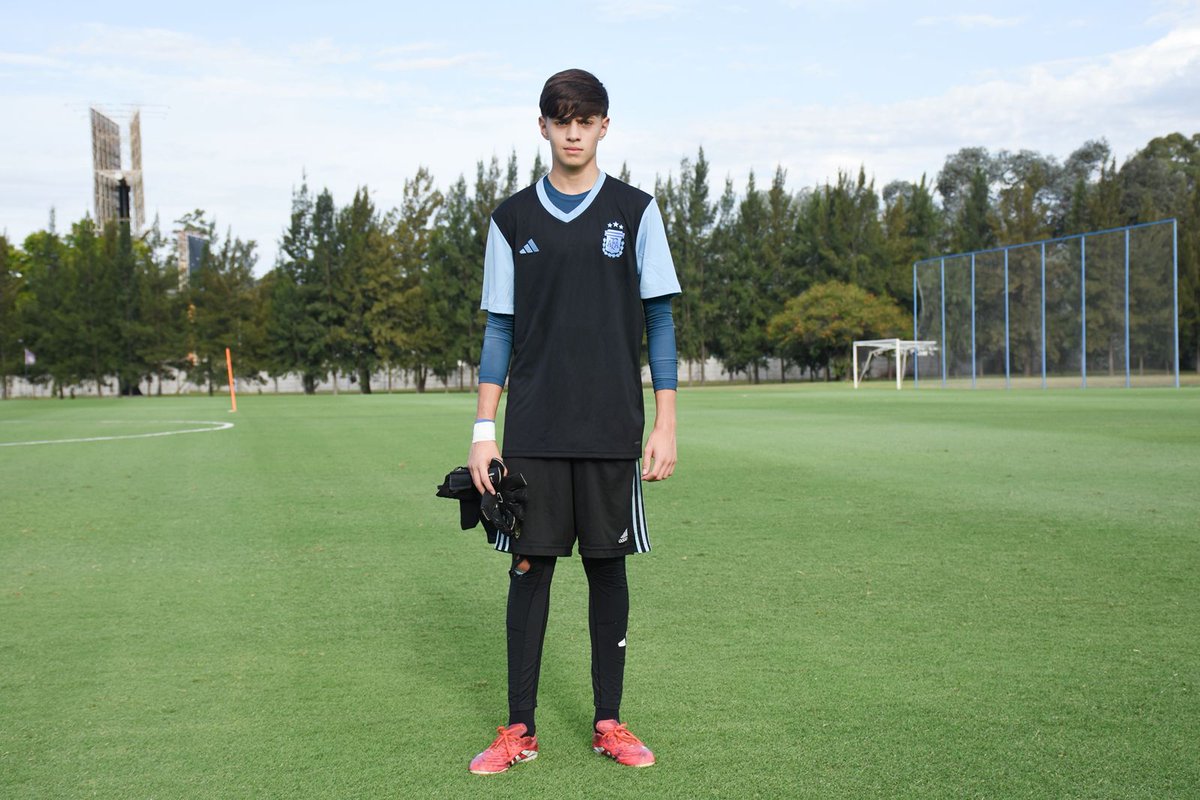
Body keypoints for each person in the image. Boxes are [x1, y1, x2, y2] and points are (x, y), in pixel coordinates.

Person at [465, 68, 681, 775]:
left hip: (612, 425)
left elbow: (659, 318)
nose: (573, 132)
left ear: (604, 128)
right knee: (529, 570)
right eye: (562, 120)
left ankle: (609, 723)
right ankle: (518, 729)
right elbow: (499, 328)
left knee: (607, 569)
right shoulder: (512, 219)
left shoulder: (637, 211)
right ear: (544, 129)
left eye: (585, 120)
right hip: (532, 430)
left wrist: (665, 421)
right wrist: (483, 431)